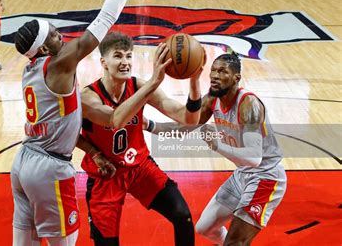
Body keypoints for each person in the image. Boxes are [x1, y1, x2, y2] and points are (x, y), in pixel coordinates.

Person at [9, 0, 158, 246]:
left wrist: (93, 152)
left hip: (24, 162)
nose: (59, 33)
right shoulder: (59, 64)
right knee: (68, 241)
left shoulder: (30, 70)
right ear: (45, 47)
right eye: (53, 33)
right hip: (48, 169)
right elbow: (105, 19)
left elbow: (67, 126)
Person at [77, 32, 204, 246]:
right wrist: (94, 154)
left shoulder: (138, 86)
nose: (125, 62)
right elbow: (114, 120)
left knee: (182, 215)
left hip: (140, 167)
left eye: (128, 56)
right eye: (118, 56)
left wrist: (194, 81)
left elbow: (188, 118)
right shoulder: (88, 97)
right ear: (103, 62)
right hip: (106, 176)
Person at [193, 53, 286, 245]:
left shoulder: (248, 104)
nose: (215, 75)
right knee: (204, 227)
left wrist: (216, 144)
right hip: (242, 174)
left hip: (266, 176)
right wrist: (148, 124)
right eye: (213, 70)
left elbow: (254, 159)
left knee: (235, 242)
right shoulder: (212, 99)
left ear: (236, 77)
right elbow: (184, 124)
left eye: (222, 71)